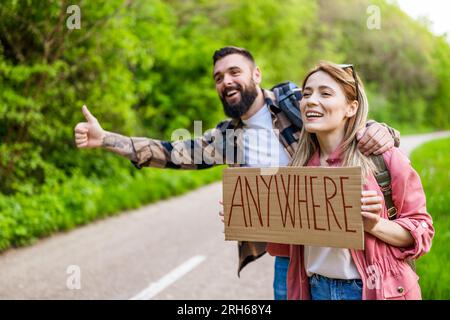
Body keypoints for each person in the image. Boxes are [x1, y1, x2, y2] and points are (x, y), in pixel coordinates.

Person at [74, 46, 399, 300]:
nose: (226, 81)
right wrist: (106, 139)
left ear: (256, 74)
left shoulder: (293, 103)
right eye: (218, 77)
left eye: (234, 72)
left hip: (349, 251)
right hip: (290, 255)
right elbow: (171, 152)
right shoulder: (227, 138)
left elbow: (343, 115)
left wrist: (383, 130)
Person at [285, 61, 434, 300]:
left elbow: (423, 232)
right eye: (306, 94)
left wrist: (373, 225)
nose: (311, 100)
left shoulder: (383, 158)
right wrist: (251, 216)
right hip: (315, 290)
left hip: (370, 290)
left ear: (351, 108)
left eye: (325, 93)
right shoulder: (298, 167)